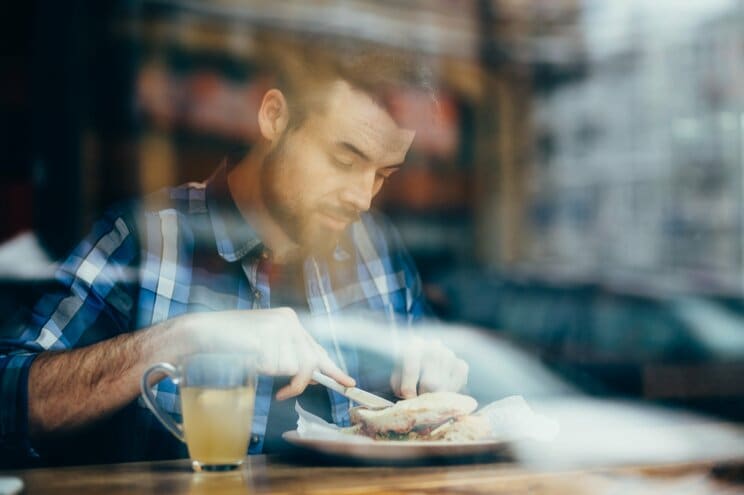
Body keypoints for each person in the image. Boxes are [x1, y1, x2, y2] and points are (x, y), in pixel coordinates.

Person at [0, 37, 468, 464]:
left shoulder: (378, 253)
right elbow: (11, 395)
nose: (363, 198)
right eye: (344, 160)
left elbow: (431, 422)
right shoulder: (146, 240)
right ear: (273, 118)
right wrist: (185, 339)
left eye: (384, 174)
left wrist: (435, 377)